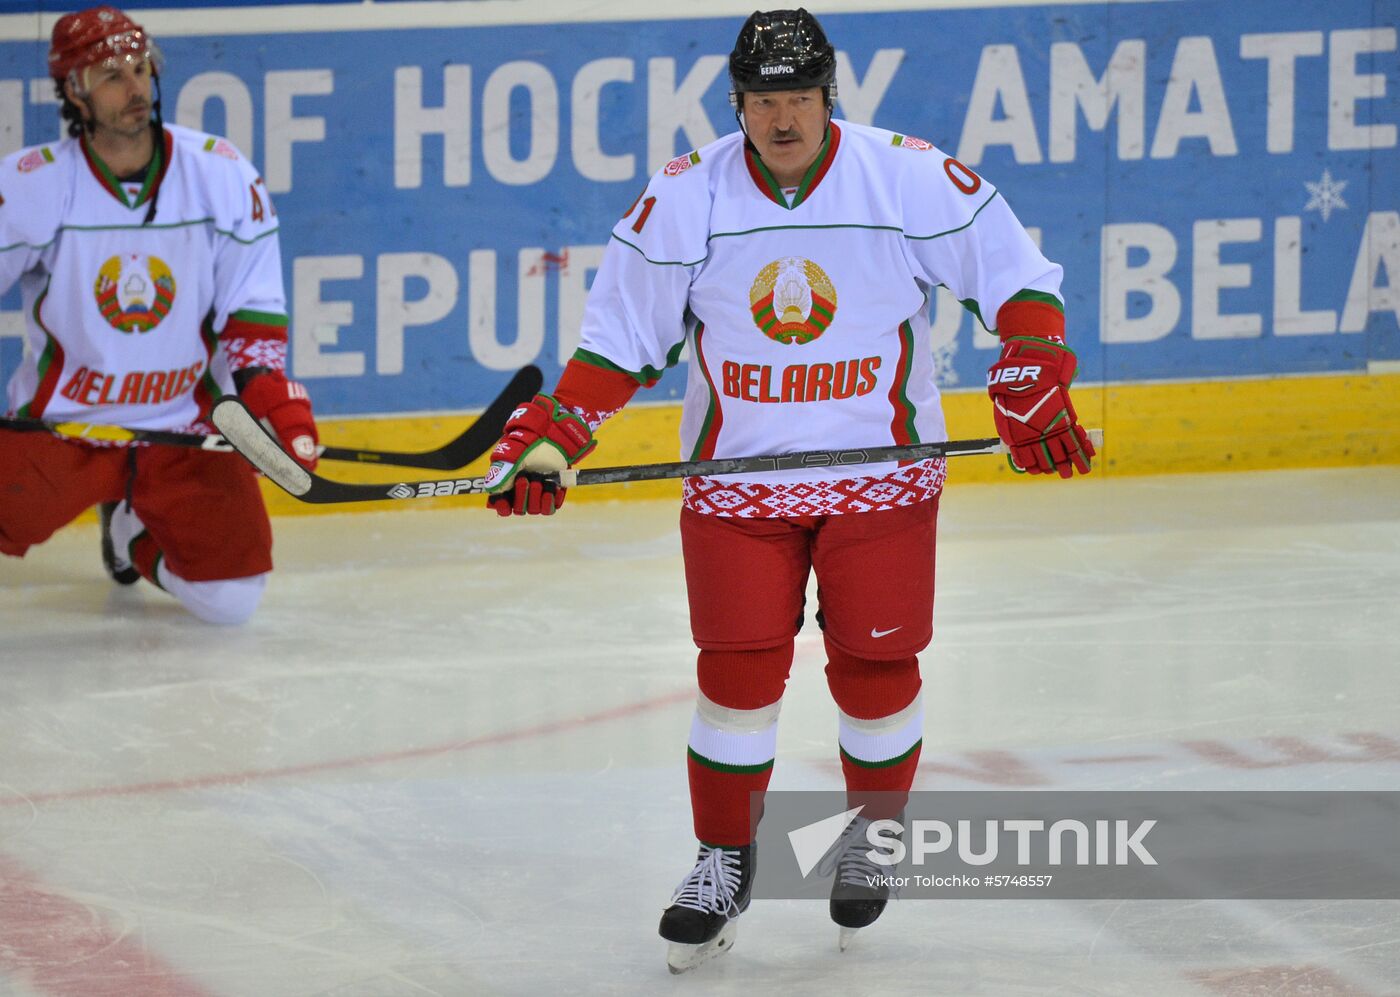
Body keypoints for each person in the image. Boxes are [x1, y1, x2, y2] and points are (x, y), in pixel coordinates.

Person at [484, 6, 1094, 971]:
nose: (783, 119)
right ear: (739, 103)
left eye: (799, 98)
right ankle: (724, 859)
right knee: (735, 675)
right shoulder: (685, 196)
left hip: (881, 476)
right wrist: (562, 430)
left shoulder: (901, 172)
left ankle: (872, 837)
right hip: (739, 487)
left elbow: (1015, 275)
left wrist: (1032, 358)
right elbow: (620, 339)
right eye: (765, 101)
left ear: (828, 94)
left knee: (874, 669)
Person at [0, 5, 318, 625]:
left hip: (185, 430)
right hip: (61, 429)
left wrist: (267, 394)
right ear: (75, 91)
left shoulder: (220, 174)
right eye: (112, 75)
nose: (136, 88)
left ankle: (129, 535)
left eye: (141, 68)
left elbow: (252, 306)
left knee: (230, 601)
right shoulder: (32, 186)